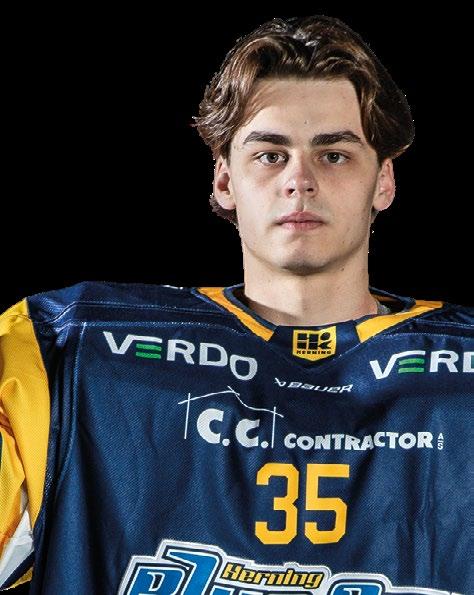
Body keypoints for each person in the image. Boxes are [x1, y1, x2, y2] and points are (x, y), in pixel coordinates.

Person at [1, 14, 472, 595]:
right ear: (224, 181)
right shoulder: (65, 351)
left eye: (334, 155)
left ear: (384, 181)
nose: (300, 181)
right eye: (270, 155)